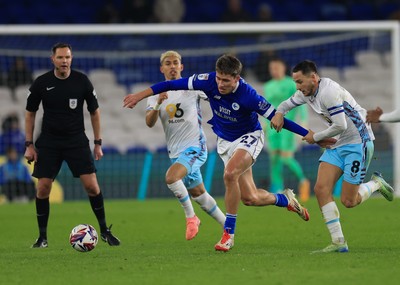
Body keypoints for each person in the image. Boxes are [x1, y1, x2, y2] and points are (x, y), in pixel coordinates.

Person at [124, 54, 333, 252]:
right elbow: (169, 84)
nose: (220, 84)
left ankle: (228, 235)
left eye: (226, 80)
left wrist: (311, 135)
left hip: (250, 137)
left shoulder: (249, 95)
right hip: (225, 141)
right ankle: (286, 200)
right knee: (250, 198)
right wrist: (138, 96)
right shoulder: (206, 81)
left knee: (230, 174)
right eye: (219, 79)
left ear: (237, 78)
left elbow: (278, 119)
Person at [270, 60, 394, 253]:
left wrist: (315, 137)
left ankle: (376, 183)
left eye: (300, 82)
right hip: (338, 142)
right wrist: (279, 112)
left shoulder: (329, 92)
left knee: (349, 201)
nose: (297, 87)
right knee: (321, 189)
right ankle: (339, 242)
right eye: (295, 82)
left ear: (313, 77)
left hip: (358, 142)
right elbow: (288, 102)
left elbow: (341, 125)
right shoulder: (307, 92)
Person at [24, 43, 120, 248]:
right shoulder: (42, 83)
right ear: (53, 59)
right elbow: (30, 113)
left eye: (67, 57)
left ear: (71, 58)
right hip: (49, 141)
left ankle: (104, 231)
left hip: (76, 140)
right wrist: (29, 145)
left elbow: (95, 112)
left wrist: (97, 143)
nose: (64, 61)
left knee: (92, 187)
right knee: (42, 188)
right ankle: (42, 238)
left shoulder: (82, 81)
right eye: (60, 58)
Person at [145, 50, 225, 240]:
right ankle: (228, 226)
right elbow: (149, 122)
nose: (172, 66)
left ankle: (191, 219)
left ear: (181, 66)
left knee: (171, 177)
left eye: (175, 63)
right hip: (176, 153)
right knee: (199, 195)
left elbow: (216, 96)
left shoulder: (192, 88)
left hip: (195, 148)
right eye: (168, 63)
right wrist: (157, 103)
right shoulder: (155, 93)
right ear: (162, 68)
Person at [263, 58, 310, 201]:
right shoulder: (268, 86)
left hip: (287, 126)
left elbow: (301, 103)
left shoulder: (291, 83)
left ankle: (303, 181)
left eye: (276, 67)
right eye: (272, 68)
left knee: (286, 157)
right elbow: (266, 106)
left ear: (283, 68)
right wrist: (265, 124)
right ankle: (277, 189)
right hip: (271, 126)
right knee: (274, 158)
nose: (274, 70)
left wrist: (303, 121)